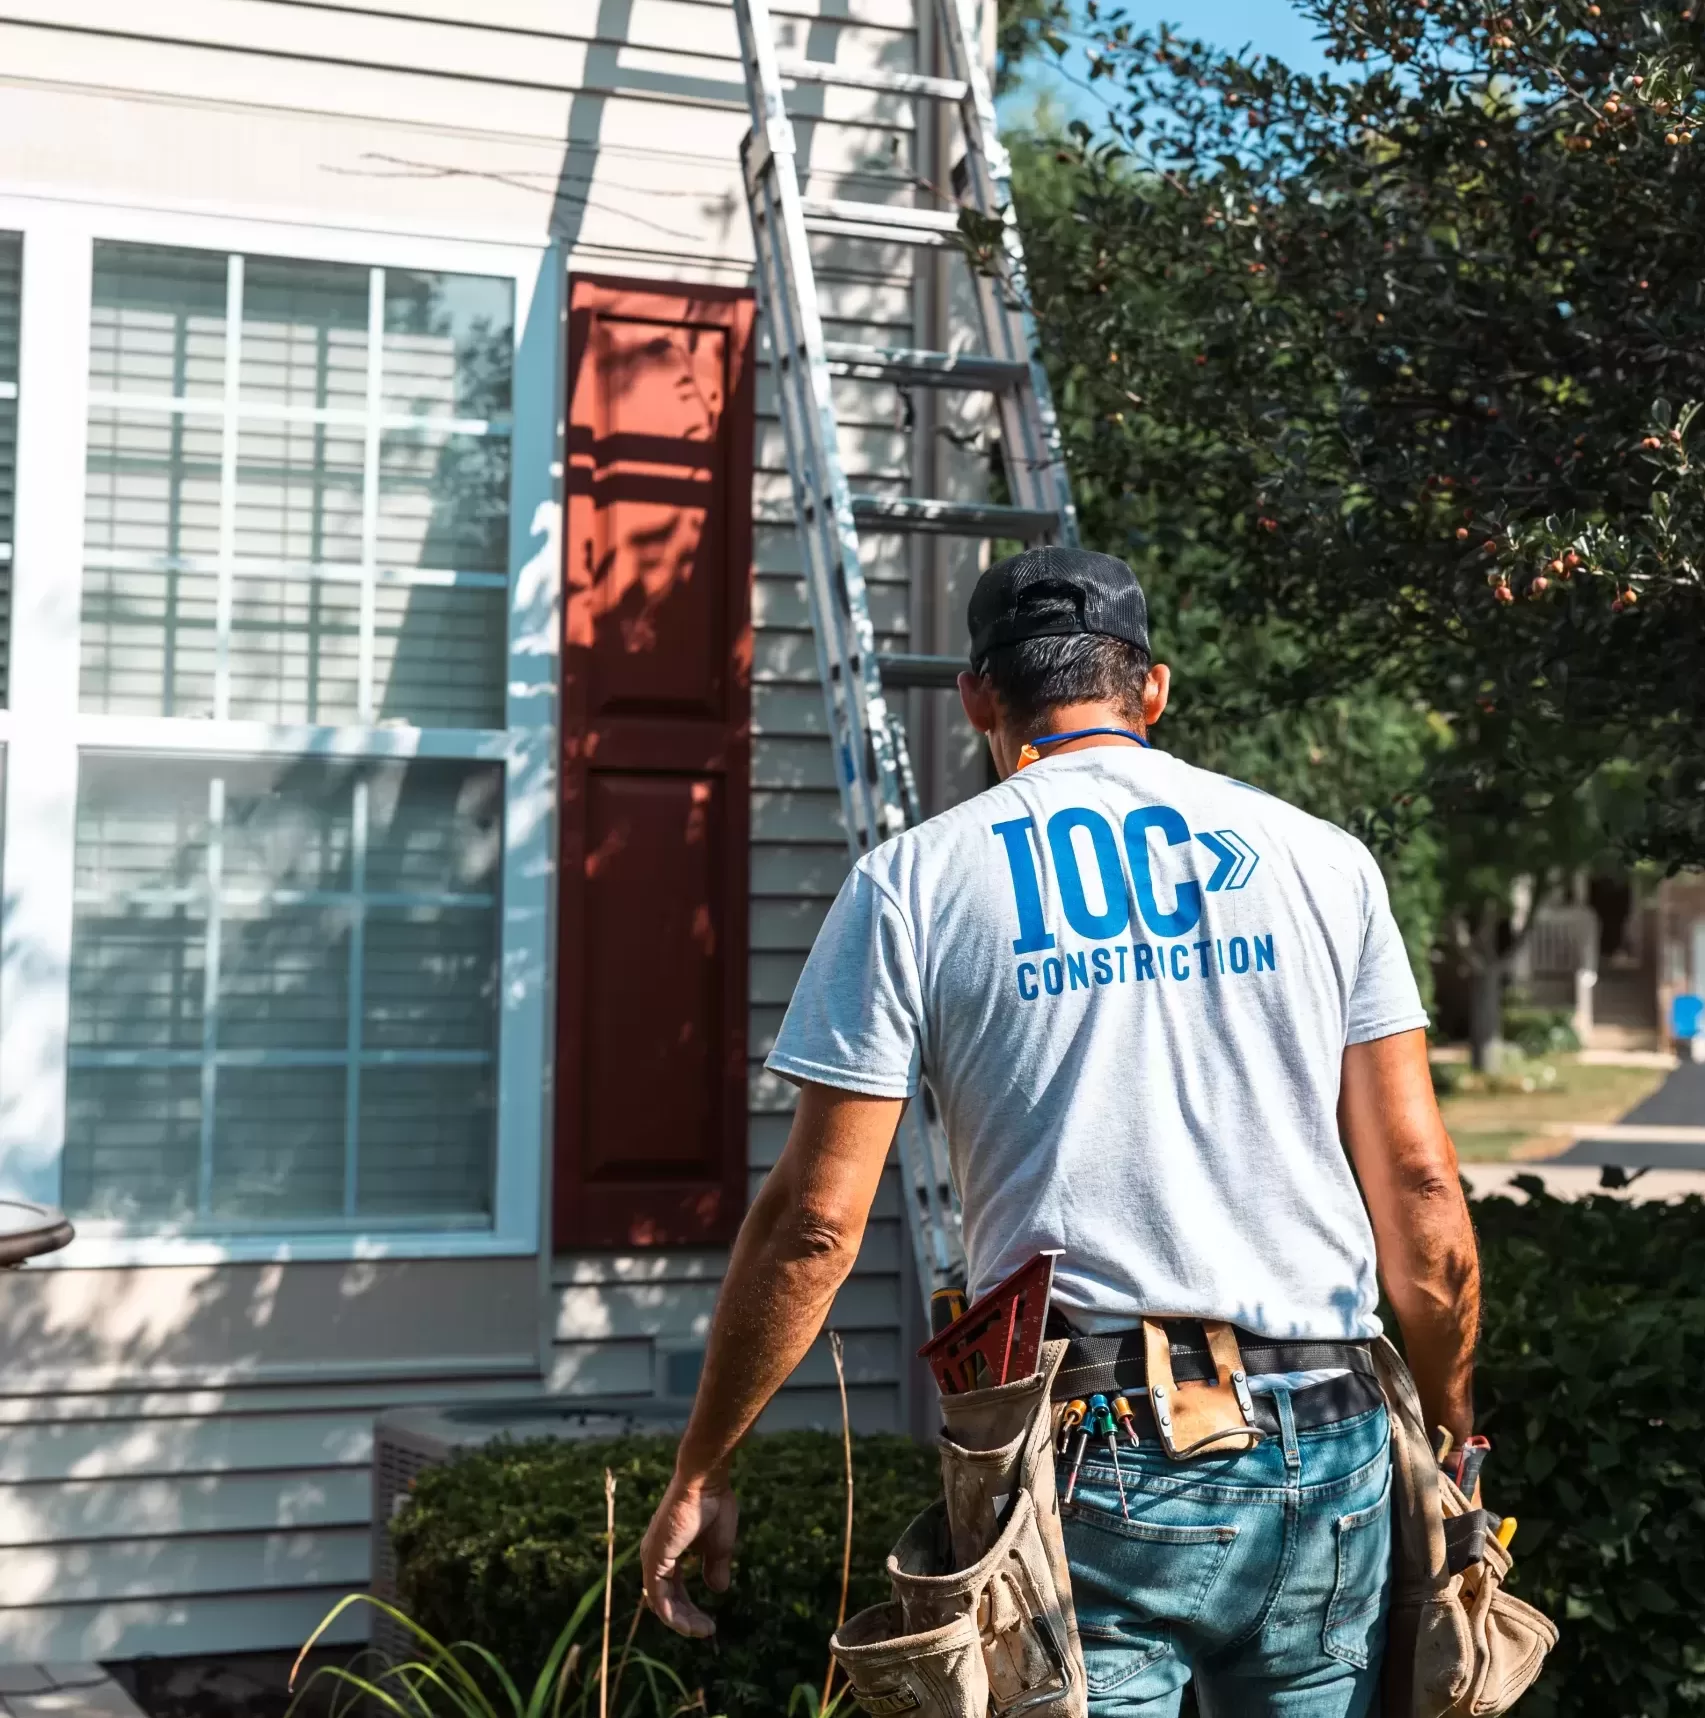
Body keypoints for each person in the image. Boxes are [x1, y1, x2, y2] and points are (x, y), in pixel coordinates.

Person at [640, 547, 1480, 1718]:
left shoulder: (915, 884)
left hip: (1098, 1442)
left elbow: (814, 1224)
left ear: (976, 695)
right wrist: (1451, 1416)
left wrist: (704, 1464)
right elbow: (1425, 1192)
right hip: (1327, 1429)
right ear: (1154, 689)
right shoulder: (1324, 864)